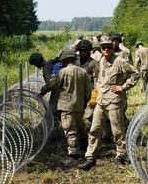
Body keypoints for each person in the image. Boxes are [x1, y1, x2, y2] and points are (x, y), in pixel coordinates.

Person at [79, 39, 140, 170]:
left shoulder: (119, 61)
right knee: (94, 129)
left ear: (112, 48)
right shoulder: (101, 60)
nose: (106, 50)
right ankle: (90, 157)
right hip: (101, 100)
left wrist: (123, 87)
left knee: (117, 131)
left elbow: (136, 73)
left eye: (109, 48)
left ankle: (121, 156)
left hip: (114, 101)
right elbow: (100, 80)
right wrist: (95, 94)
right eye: (104, 48)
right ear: (100, 49)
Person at [49, 48, 91, 162]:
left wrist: (53, 75)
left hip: (66, 105)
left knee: (70, 130)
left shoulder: (62, 72)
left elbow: (54, 85)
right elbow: (88, 91)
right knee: (79, 126)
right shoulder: (83, 71)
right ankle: (85, 147)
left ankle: (73, 154)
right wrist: (84, 102)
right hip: (79, 104)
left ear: (64, 59)